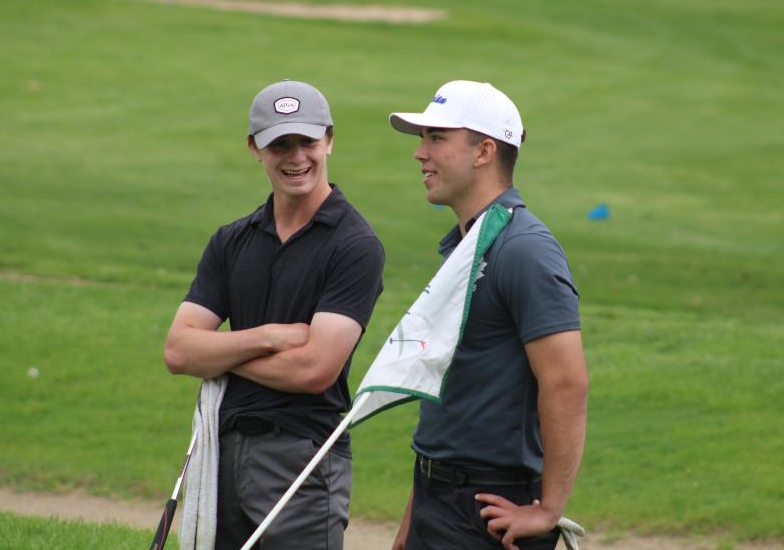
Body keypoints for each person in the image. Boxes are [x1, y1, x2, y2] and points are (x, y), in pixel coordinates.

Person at [164, 79, 385, 550]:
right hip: (223, 453)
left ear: (329, 140)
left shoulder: (355, 246)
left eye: (306, 141)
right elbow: (179, 351)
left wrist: (219, 354)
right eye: (279, 144)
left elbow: (314, 370)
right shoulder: (232, 240)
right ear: (254, 149)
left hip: (302, 460)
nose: (296, 157)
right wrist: (267, 336)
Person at [387, 80, 589, 550]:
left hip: (488, 512)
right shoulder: (466, 246)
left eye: (436, 138)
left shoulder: (524, 250)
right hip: (435, 496)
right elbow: (454, 398)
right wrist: (413, 518)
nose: (420, 153)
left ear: (483, 152)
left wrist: (549, 509)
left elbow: (566, 381)